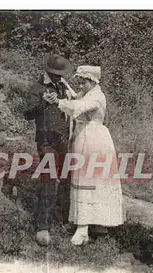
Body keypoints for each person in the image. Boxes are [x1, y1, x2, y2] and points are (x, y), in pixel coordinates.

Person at [44, 65, 124, 245]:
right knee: (89, 179)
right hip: (86, 137)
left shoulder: (97, 96)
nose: (80, 84)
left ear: (92, 81)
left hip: (93, 140)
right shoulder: (89, 93)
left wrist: (58, 102)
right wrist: (65, 87)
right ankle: (93, 225)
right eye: (79, 81)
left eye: (83, 81)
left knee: (89, 180)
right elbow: (76, 98)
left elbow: (79, 107)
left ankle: (84, 228)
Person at [24, 54, 74, 246]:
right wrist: (44, 102)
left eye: (60, 75)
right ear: (48, 72)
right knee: (49, 180)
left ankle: (59, 219)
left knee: (65, 179)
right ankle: (42, 226)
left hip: (62, 139)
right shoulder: (36, 88)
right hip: (46, 141)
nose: (58, 77)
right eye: (55, 74)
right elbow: (27, 113)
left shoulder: (63, 86)